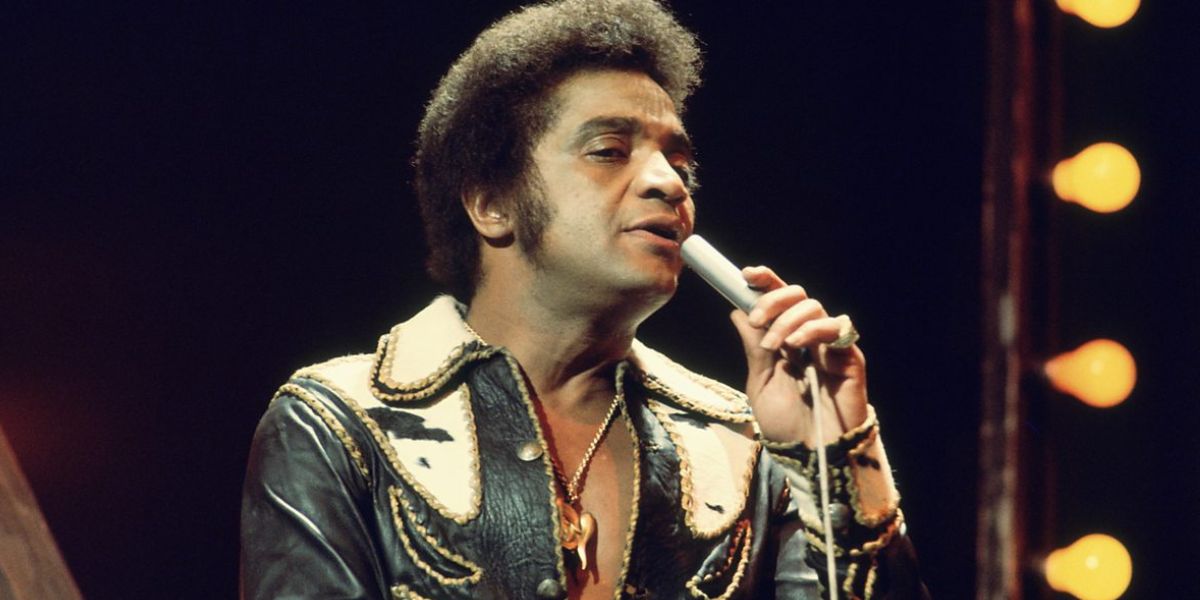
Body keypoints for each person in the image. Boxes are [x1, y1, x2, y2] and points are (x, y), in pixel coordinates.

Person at [240, 0, 929, 598]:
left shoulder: (741, 443)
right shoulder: (339, 425)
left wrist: (832, 452)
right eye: (609, 151)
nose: (668, 183)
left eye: (679, 163)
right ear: (491, 204)